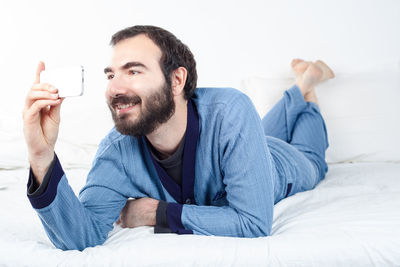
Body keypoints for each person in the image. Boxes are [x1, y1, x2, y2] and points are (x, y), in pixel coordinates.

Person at [23, 25, 334, 251]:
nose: (114, 88)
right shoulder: (116, 151)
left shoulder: (231, 111)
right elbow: (82, 236)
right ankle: (302, 84)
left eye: (133, 71)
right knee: (263, 133)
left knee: (313, 160)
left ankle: (307, 84)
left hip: (279, 165)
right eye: (111, 74)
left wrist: (158, 214)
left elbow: (253, 223)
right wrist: (41, 157)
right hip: (249, 142)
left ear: (176, 79)